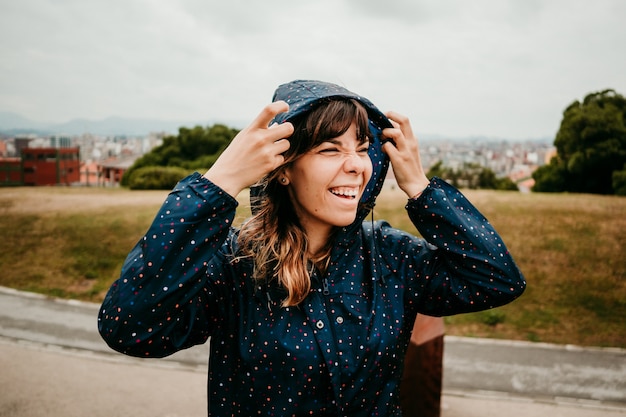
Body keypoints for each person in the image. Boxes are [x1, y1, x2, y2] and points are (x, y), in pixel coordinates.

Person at [98, 79, 526, 416]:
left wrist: (420, 187)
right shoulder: (235, 264)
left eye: (362, 148)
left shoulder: (392, 258)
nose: (356, 165)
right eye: (329, 149)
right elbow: (130, 327)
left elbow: (497, 279)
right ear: (283, 168)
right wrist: (218, 184)